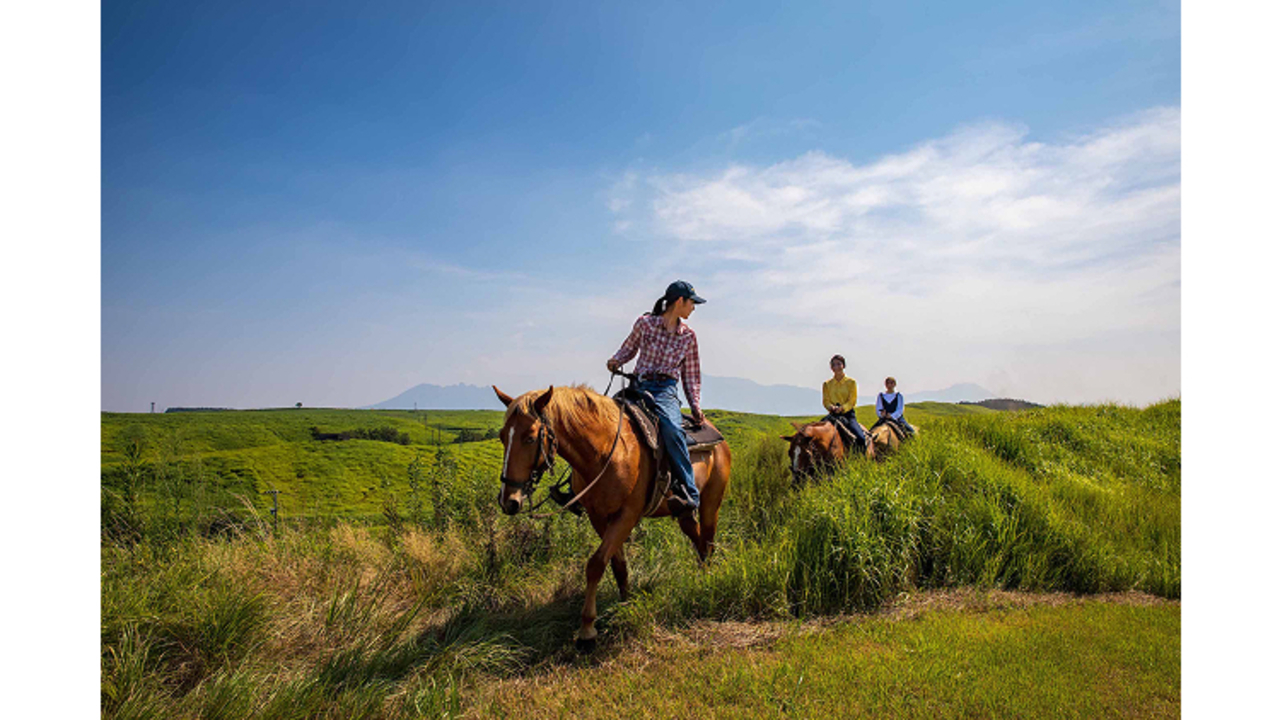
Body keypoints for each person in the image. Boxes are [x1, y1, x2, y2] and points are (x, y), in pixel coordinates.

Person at [606, 280, 706, 516]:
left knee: (672, 428)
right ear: (680, 301)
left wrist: (695, 407)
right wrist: (616, 360)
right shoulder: (645, 324)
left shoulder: (688, 337)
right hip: (638, 386)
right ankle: (575, 488)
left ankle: (689, 493)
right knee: (602, 421)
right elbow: (628, 349)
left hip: (665, 391)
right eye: (692, 302)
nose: (694, 307)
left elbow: (690, 376)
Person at [821, 355, 867, 448]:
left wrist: (842, 408)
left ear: (844, 366)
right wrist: (831, 407)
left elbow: (852, 401)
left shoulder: (851, 382)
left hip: (848, 415)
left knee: (861, 438)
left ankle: (862, 459)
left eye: (839, 364)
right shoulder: (827, 384)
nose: (836, 367)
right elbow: (826, 401)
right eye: (833, 365)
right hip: (833, 415)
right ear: (831, 368)